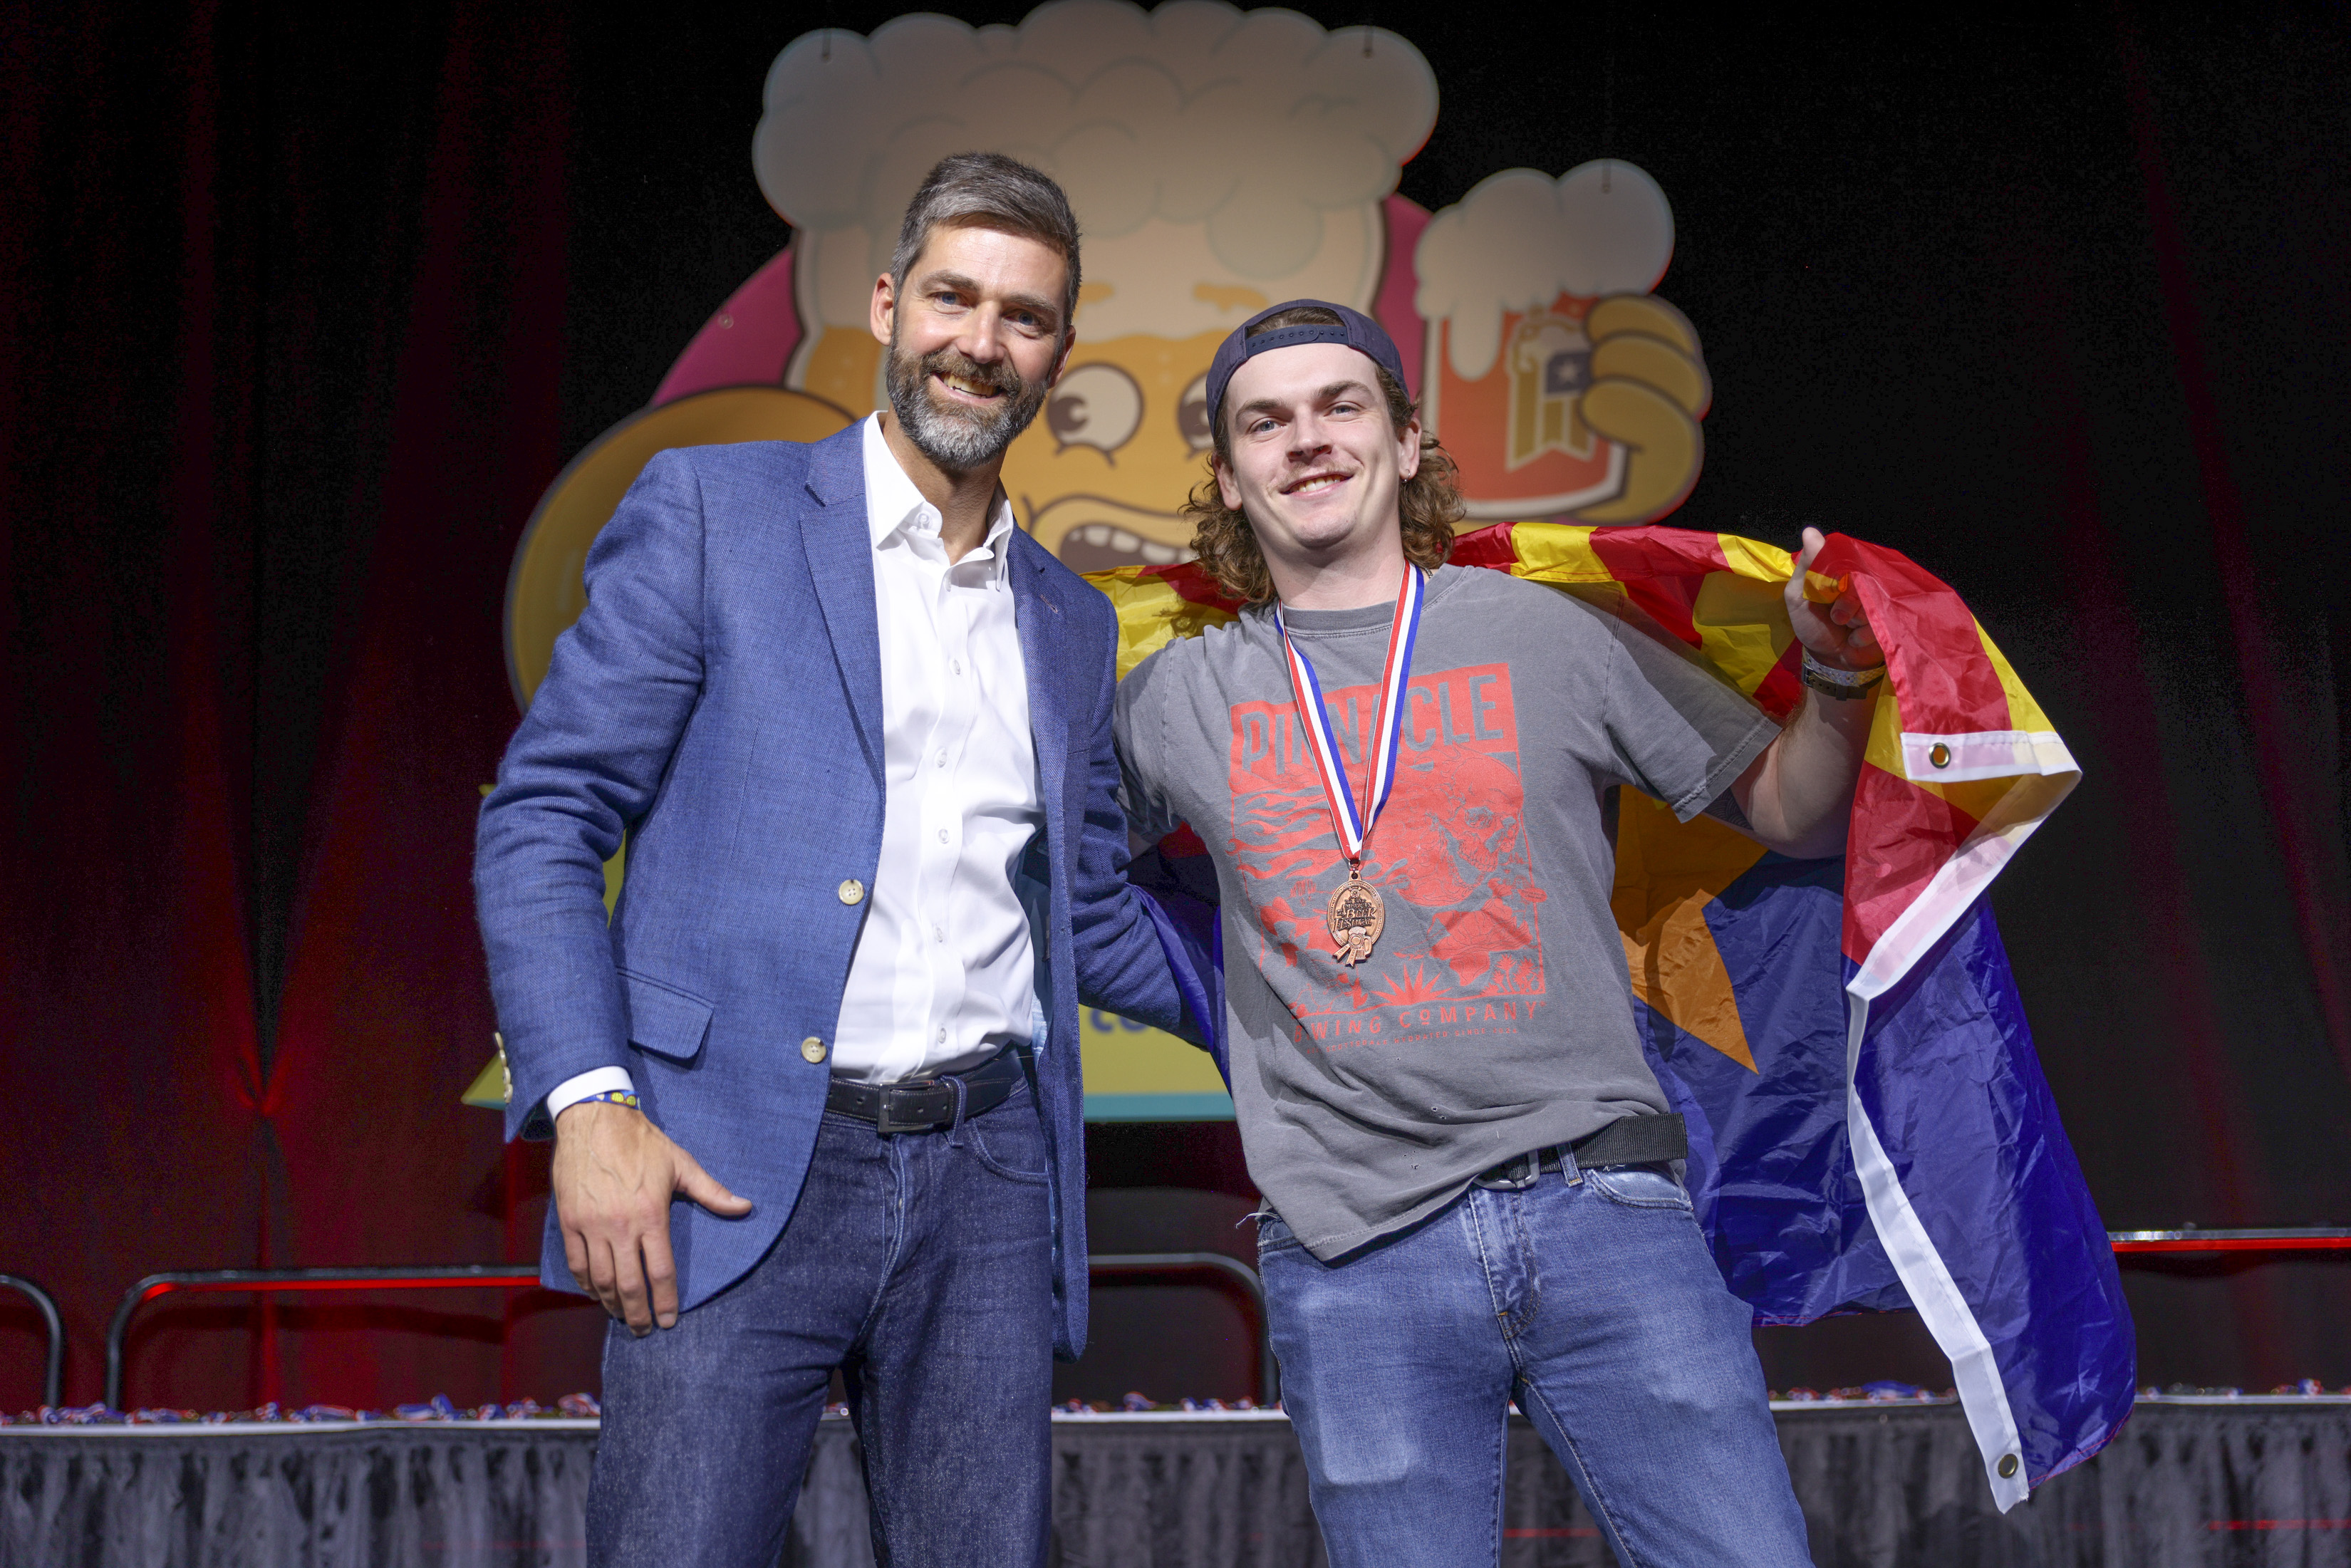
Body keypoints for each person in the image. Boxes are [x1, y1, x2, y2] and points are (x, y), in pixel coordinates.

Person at [474, 152, 1193, 1568]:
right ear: (887, 302)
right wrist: (591, 1105)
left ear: (1058, 351)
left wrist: (1338, 1014)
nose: (982, 343)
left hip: (989, 1182)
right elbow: (543, 816)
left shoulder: (1069, 621)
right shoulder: (711, 513)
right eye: (953, 297)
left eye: (1024, 318)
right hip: (724, 1167)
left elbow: (1093, 923)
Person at [1114, 301, 1884, 1567]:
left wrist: (1840, 680)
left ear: (1408, 442)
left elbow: (1793, 815)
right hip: (1354, 1252)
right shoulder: (1179, 697)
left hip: (1603, 1209)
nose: (1306, 440)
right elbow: (1059, 884)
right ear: (1230, 474)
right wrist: (1218, 994)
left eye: (1340, 406)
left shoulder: (1550, 634)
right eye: (1266, 421)